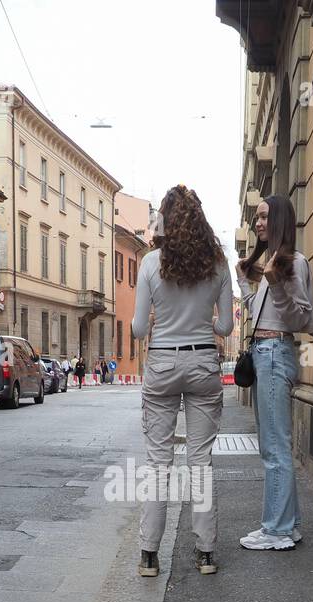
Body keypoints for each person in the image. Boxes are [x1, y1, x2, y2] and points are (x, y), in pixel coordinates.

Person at [132, 184, 234, 577]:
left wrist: (162, 317)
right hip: (203, 365)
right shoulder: (218, 264)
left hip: (161, 365)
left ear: (164, 220)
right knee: (200, 463)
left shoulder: (149, 263)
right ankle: (206, 554)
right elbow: (225, 325)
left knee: (159, 463)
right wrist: (202, 320)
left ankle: (148, 555)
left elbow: (139, 330)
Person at [235, 194, 313, 551]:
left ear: (280, 219)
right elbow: (258, 312)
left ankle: (277, 530)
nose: (258, 223)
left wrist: (278, 284)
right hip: (265, 352)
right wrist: (244, 283)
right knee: (275, 445)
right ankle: (289, 524)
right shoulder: (274, 264)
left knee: (274, 447)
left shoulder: (293, 264)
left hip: (275, 353)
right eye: (256, 218)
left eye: (265, 217)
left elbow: (302, 317)